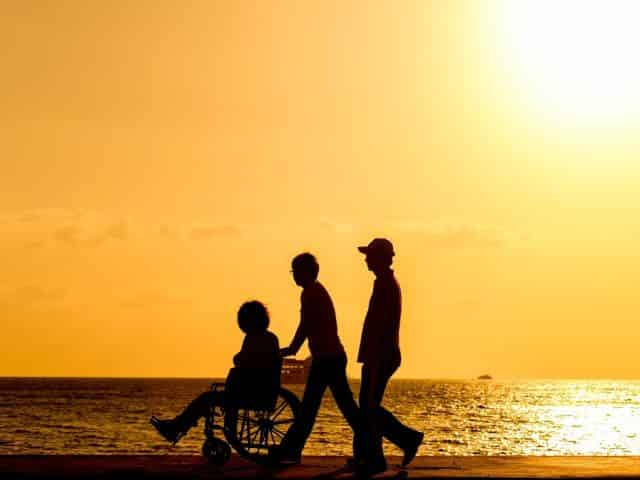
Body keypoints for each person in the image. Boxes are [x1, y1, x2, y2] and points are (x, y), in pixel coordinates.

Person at [150, 300, 280, 444]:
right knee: (210, 397)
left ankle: (176, 427)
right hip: (257, 390)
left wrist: (237, 359)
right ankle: (178, 426)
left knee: (206, 398)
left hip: (253, 393)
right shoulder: (269, 338)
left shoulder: (256, 339)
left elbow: (246, 364)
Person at [275, 253, 360, 463]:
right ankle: (291, 450)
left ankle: (290, 450)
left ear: (306, 272)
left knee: (313, 408)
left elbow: (305, 324)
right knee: (335, 408)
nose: (293, 276)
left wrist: (292, 348)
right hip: (329, 357)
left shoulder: (311, 293)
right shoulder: (315, 291)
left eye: (295, 271)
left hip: (327, 358)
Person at [356, 238, 423, 476]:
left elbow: (380, 325)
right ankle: (371, 457)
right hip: (378, 354)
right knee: (367, 408)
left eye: (370, 256)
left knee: (369, 407)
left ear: (382, 259)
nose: (366, 260)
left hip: (380, 355)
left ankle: (407, 439)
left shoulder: (386, 285)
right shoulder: (383, 283)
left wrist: (372, 358)